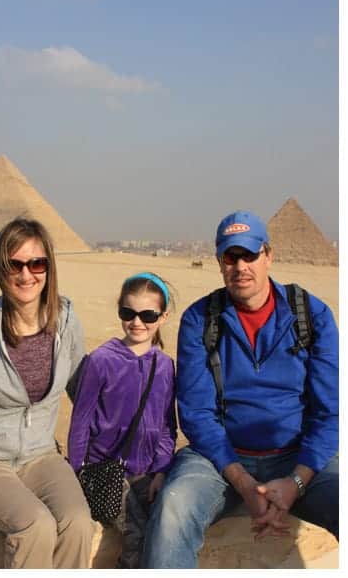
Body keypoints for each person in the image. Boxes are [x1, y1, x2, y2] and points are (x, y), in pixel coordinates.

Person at [142, 210, 339, 568]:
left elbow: (329, 413)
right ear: (219, 262)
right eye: (231, 257)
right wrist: (244, 483)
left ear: (268, 256)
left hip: (298, 455)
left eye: (250, 255)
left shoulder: (313, 315)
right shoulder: (200, 319)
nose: (240, 266)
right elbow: (197, 413)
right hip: (219, 459)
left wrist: (297, 481)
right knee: (172, 508)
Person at [0, 217, 94, 569]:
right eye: (16, 264)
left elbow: (82, 391)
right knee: (35, 526)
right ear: (1, 268)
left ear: (49, 267)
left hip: (42, 455)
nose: (27, 275)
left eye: (36, 263)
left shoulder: (68, 322)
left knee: (78, 523)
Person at [68, 272, 177, 569]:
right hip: (104, 470)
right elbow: (80, 422)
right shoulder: (101, 360)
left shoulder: (165, 366)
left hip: (145, 473)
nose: (137, 322)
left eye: (148, 314)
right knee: (137, 533)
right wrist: (80, 472)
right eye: (128, 313)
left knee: (168, 525)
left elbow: (167, 424)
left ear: (163, 317)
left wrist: (161, 471)